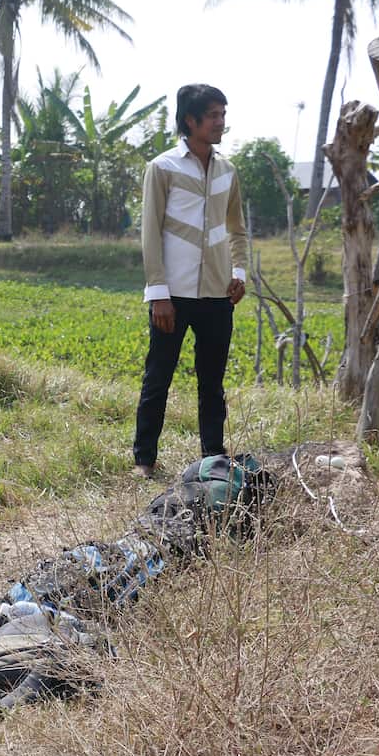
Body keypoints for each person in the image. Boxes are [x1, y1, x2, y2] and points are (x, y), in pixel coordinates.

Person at [132, 84, 248, 478]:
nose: (221, 123)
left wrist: (239, 272)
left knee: (212, 382)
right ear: (190, 121)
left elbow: (237, 230)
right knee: (158, 377)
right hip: (173, 296)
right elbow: (151, 232)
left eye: (222, 114)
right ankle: (144, 460)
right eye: (214, 115)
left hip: (218, 295)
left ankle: (213, 459)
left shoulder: (228, 170)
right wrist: (158, 292)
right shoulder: (163, 168)